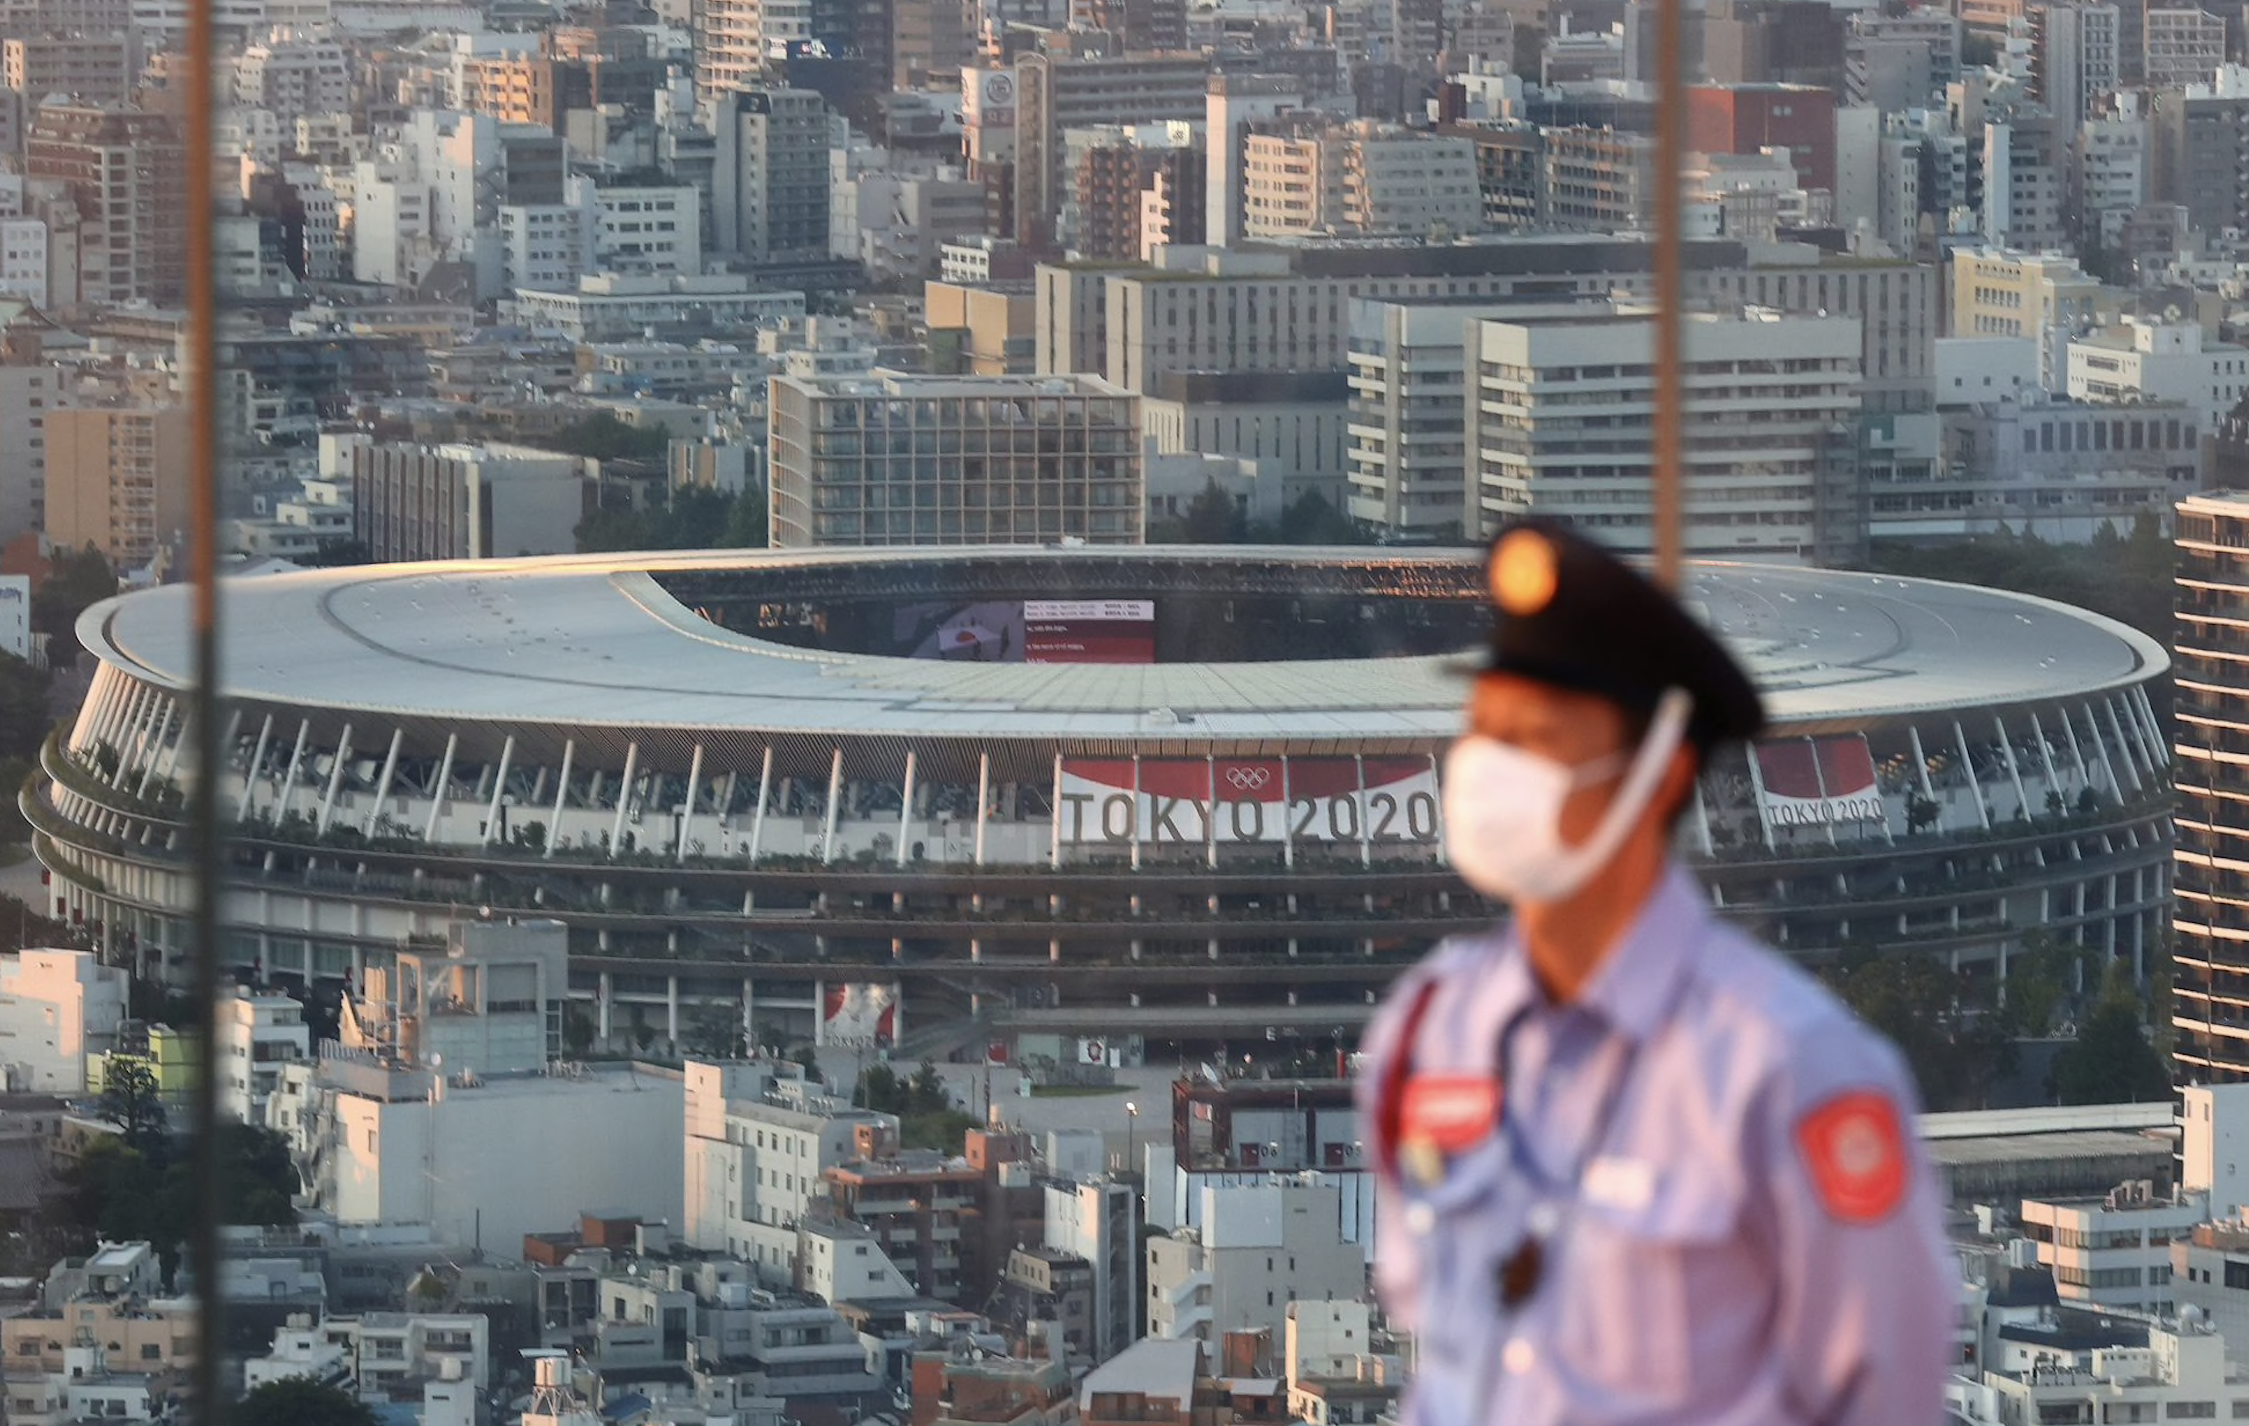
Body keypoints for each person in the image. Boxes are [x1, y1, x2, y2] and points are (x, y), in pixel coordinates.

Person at [1357, 520, 1956, 1426]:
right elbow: (1437, 1357)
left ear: (1659, 771)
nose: (1487, 770)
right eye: (1484, 731)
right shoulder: (1426, 1034)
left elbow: (1883, 1396)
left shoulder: (1789, 1068)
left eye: (1539, 738)